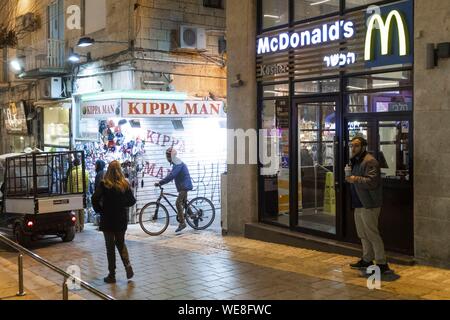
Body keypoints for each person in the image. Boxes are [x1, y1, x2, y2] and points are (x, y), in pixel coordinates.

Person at [346, 136, 391, 275]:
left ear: (363, 147)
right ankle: (367, 259)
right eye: (352, 145)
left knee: (372, 233)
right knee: (362, 233)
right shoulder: (356, 160)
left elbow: (372, 182)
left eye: (356, 145)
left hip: (369, 203)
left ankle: (382, 263)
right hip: (358, 202)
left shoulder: (370, 161)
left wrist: (354, 179)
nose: (353, 148)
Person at [92, 161, 136, 284]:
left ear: (108, 170)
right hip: (121, 219)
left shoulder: (104, 184)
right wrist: (122, 204)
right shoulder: (124, 184)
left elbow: (94, 198)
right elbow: (132, 201)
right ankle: (127, 265)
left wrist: (100, 210)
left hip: (108, 220)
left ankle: (112, 275)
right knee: (121, 243)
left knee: (110, 247)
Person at [155, 148, 193, 233]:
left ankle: (183, 223)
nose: (167, 158)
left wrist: (161, 182)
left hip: (184, 186)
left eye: (168, 156)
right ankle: (193, 216)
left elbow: (172, 175)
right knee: (184, 202)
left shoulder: (178, 164)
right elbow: (172, 175)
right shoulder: (176, 163)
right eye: (167, 156)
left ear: (172, 156)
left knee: (178, 202)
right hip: (183, 186)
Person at [67, 157, 89, 232]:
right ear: (80, 163)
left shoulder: (72, 173)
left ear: (74, 164)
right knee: (81, 209)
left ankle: (77, 227)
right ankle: (82, 226)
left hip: (75, 193)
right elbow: (86, 182)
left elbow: (69, 184)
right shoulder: (85, 172)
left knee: (76, 210)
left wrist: (69, 193)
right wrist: (85, 191)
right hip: (82, 193)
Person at [93, 160, 106, 227]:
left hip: (101, 196)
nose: (95, 167)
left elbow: (98, 187)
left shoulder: (99, 174)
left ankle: (103, 224)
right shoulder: (104, 172)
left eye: (96, 165)